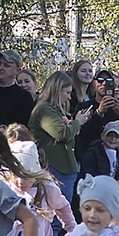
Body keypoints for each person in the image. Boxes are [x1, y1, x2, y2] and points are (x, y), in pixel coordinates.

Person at [30, 72, 91, 205]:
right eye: (67, 92)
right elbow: (62, 134)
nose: (69, 98)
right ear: (57, 89)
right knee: (58, 215)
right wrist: (77, 122)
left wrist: (72, 124)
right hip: (55, 168)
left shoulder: (53, 110)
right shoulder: (44, 109)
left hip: (63, 168)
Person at [0, 51, 36, 127]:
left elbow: (22, 130)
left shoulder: (23, 97)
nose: (0, 67)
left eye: (6, 65)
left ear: (17, 71)